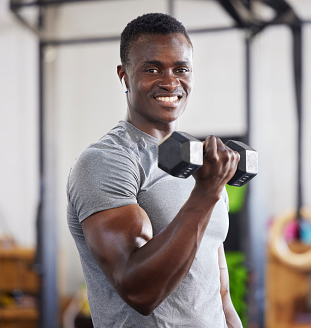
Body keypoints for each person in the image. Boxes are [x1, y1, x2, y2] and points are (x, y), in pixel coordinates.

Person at [67, 12, 243, 328]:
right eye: (153, 69)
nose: (170, 81)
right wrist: (205, 195)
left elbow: (220, 294)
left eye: (181, 69)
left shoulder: (202, 166)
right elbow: (139, 292)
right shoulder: (106, 162)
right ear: (124, 76)